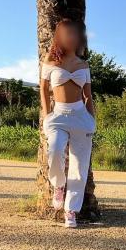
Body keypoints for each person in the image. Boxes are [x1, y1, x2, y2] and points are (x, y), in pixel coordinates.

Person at [39, 19, 96, 228]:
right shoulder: (50, 60)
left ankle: (70, 210)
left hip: (81, 116)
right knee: (54, 150)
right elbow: (43, 90)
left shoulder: (84, 64)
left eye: (74, 34)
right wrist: (47, 116)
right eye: (66, 33)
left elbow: (88, 95)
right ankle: (59, 185)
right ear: (59, 37)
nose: (71, 37)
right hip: (58, 116)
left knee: (80, 166)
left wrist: (91, 120)